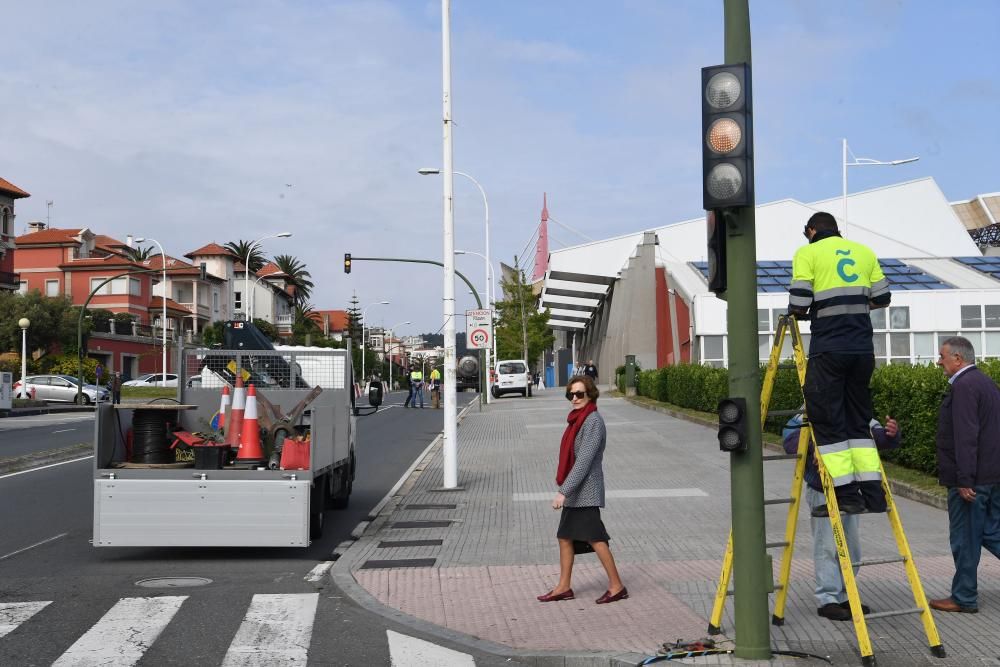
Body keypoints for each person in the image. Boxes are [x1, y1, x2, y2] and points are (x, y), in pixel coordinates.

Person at [788, 211, 891, 515]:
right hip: (862, 350)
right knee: (858, 423)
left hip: (829, 350)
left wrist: (805, 312)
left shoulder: (807, 253)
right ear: (836, 230)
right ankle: (874, 496)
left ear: (810, 230)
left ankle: (847, 496)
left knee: (828, 423)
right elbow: (883, 298)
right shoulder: (864, 252)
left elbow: (799, 303)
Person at [783, 411, 901, 621]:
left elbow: (875, 436)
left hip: (850, 490)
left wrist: (890, 435)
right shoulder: (809, 407)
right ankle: (827, 599)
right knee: (827, 546)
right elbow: (790, 441)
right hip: (823, 489)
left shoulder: (852, 404)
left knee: (851, 547)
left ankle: (845, 595)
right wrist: (817, 447)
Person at [537, 375, 627, 605]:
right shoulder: (577, 420)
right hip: (577, 492)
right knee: (565, 537)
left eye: (580, 394)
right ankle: (564, 587)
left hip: (586, 491)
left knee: (596, 539)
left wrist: (563, 491)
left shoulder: (593, 421)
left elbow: (584, 461)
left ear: (590, 395)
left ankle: (616, 586)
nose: (575, 398)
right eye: (571, 394)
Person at [929, 336, 1000, 613]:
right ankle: (963, 594)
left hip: (973, 481)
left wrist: (964, 479)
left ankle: (963, 597)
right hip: (991, 476)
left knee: (965, 539)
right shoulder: (986, 383)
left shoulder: (964, 386)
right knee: (992, 532)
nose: (939, 361)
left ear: (958, 358)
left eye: (942, 356)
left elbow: (966, 435)